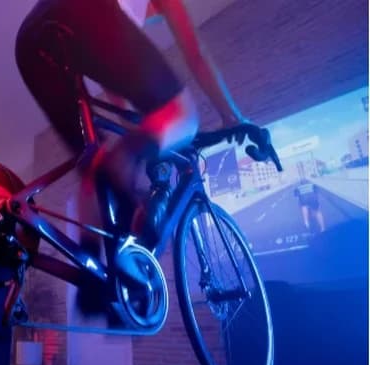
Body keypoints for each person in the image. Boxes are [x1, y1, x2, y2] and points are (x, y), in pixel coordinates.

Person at [15, 0, 247, 288]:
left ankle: (92, 277)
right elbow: (196, 54)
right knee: (184, 115)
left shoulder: (125, 15)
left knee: (93, 162)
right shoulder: (128, 13)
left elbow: (115, 83)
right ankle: (121, 168)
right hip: (82, 13)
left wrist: (142, 135)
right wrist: (233, 118)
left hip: (29, 43)